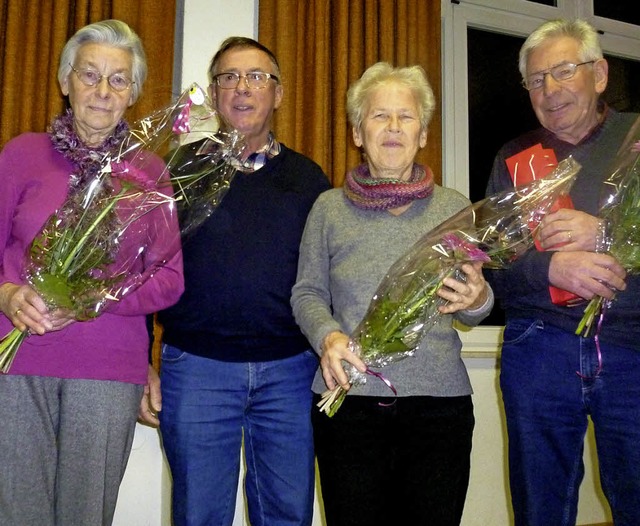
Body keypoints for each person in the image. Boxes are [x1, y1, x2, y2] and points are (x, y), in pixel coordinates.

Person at [291, 62, 493, 526]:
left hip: (439, 407)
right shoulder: (328, 208)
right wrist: (328, 337)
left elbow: (476, 308)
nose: (394, 127)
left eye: (406, 117)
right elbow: (307, 293)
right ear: (358, 131)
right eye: (380, 116)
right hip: (349, 401)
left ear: (423, 134)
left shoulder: (454, 207)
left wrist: (478, 299)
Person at [0, 20, 184, 526]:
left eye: (118, 79)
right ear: (65, 82)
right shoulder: (21, 155)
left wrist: (94, 297)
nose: (102, 91)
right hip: (17, 364)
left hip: (106, 370)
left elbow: (169, 279)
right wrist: (8, 294)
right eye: (89, 74)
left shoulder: (149, 173)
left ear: (133, 94)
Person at [153, 37, 331, 526]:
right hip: (197, 371)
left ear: (278, 93)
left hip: (291, 375)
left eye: (257, 76)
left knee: (287, 515)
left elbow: (326, 277)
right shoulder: (178, 171)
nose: (242, 87)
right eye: (228, 77)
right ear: (213, 95)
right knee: (199, 515)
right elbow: (145, 270)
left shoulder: (310, 179)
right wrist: (142, 362)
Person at [485, 18, 640, 526]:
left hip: (632, 346)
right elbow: (496, 268)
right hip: (539, 350)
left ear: (598, 74)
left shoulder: (637, 140)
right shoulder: (514, 158)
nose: (549, 90)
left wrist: (610, 238)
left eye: (563, 71)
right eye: (535, 79)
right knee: (540, 508)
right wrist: (553, 267)